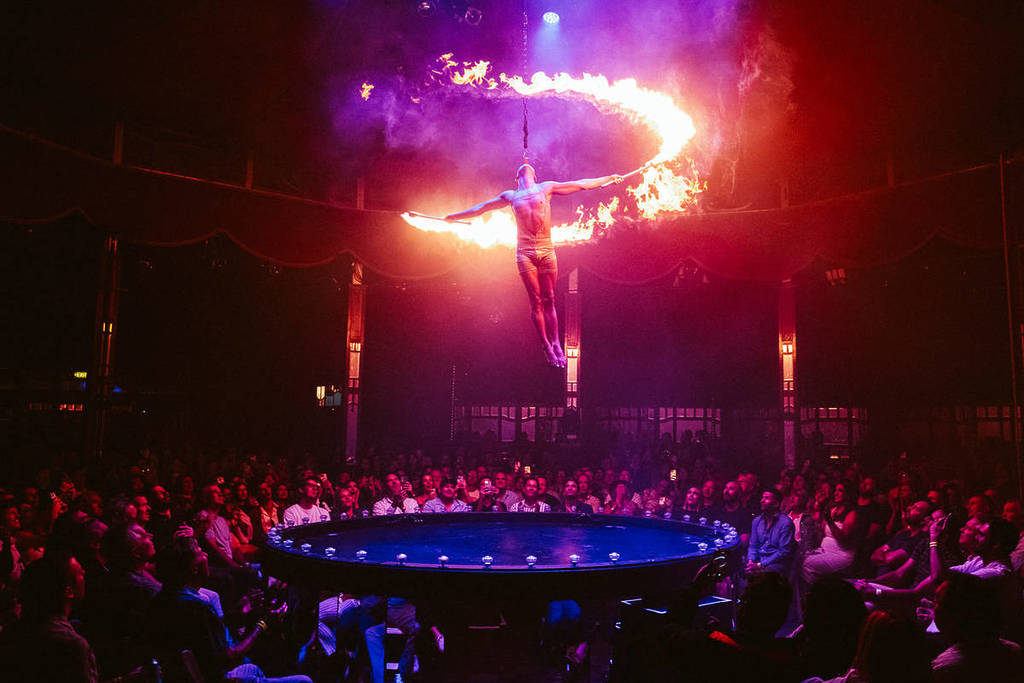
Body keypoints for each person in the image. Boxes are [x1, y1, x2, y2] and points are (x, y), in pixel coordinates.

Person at [445, 163, 624, 367]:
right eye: (523, 167)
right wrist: (455, 217)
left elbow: (580, 184)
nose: (526, 166)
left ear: (534, 176)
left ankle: (556, 343)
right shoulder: (510, 196)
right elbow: (481, 208)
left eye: (529, 167)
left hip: (547, 250)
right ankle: (546, 346)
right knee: (536, 300)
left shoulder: (545, 188)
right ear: (517, 177)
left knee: (549, 298)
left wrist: (609, 177)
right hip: (525, 253)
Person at [746, 489, 796, 576]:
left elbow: (784, 551)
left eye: (766, 498)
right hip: (758, 560)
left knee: (766, 574)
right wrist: (751, 561)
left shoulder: (785, 523)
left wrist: (760, 565)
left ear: (776, 503)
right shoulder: (756, 521)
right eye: (762, 497)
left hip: (776, 563)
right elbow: (753, 545)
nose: (762, 500)